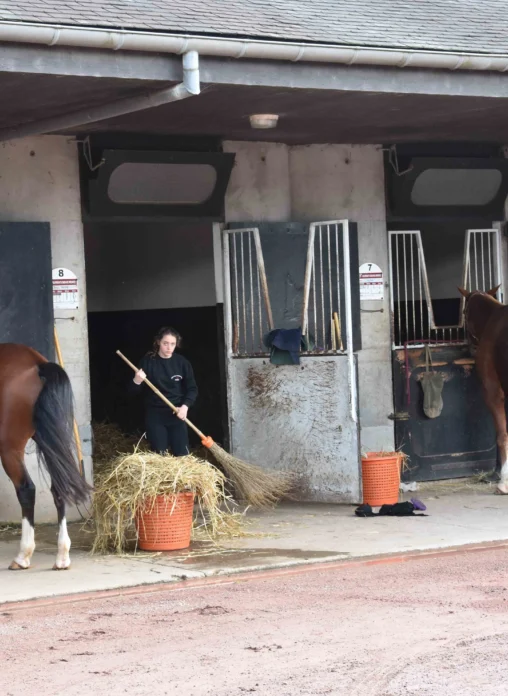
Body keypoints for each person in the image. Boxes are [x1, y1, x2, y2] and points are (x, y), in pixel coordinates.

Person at [130, 327, 198, 456]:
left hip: (177, 414)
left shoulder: (182, 363)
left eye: (172, 344)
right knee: (159, 455)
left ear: (176, 344)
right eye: (165, 343)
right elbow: (133, 392)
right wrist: (136, 380)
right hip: (155, 416)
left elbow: (192, 389)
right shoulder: (148, 362)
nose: (169, 347)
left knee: (182, 455)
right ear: (158, 342)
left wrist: (185, 407)